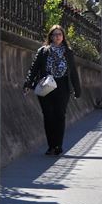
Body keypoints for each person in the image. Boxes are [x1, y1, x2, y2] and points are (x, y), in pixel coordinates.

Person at [23, 25, 81, 156]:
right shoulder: (43, 51)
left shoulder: (68, 52)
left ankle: (58, 145)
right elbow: (34, 68)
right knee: (48, 116)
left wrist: (77, 90)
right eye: (54, 34)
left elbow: (73, 72)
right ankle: (51, 146)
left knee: (60, 116)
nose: (57, 36)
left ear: (63, 37)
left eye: (59, 34)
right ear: (50, 37)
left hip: (62, 87)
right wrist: (27, 83)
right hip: (46, 85)